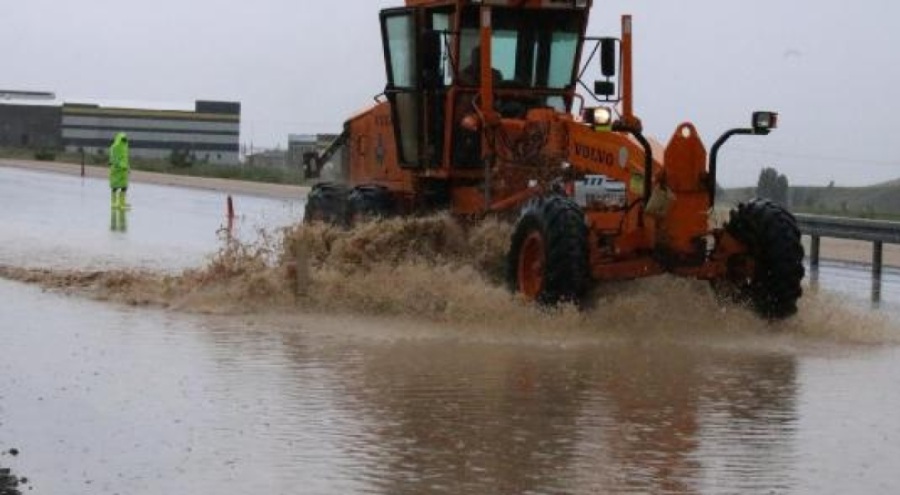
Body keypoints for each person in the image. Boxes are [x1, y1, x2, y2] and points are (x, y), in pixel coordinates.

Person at [108, 132, 131, 209]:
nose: (124, 141)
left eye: (125, 139)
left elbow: (125, 159)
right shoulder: (114, 147)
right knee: (115, 187)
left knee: (124, 187)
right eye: (123, 139)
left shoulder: (125, 148)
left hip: (123, 171)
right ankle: (114, 203)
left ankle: (122, 203)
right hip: (116, 170)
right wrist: (121, 165)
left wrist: (128, 167)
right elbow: (113, 159)